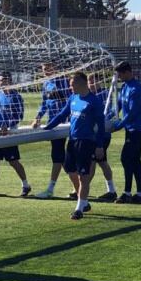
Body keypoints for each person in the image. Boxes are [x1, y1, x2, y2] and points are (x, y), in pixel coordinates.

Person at [44, 72, 106, 219]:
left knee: (84, 176)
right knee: (70, 170)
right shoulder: (72, 98)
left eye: (72, 85)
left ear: (81, 83)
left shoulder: (94, 101)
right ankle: (84, 202)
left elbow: (101, 126)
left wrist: (100, 146)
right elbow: (61, 115)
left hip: (86, 142)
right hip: (72, 141)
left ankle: (79, 209)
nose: (70, 87)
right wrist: (46, 128)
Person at [32, 63, 74, 199]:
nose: (46, 72)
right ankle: (77, 187)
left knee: (58, 155)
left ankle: (50, 189)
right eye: (44, 69)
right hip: (53, 123)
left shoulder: (64, 81)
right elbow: (44, 103)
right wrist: (37, 117)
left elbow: (71, 100)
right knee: (60, 156)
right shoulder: (46, 84)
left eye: (48, 68)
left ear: (55, 67)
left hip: (65, 123)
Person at [111, 61, 141, 204]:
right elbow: (119, 105)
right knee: (134, 160)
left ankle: (127, 193)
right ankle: (140, 194)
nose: (119, 77)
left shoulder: (136, 89)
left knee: (126, 158)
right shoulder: (125, 87)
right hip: (130, 128)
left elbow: (133, 112)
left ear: (127, 72)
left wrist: (119, 125)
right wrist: (107, 116)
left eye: (120, 74)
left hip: (137, 129)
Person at [88, 73, 118, 200]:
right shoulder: (88, 95)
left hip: (102, 134)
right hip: (91, 134)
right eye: (89, 81)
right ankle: (111, 190)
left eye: (93, 81)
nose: (91, 84)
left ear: (99, 81)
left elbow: (112, 110)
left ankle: (81, 190)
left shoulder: (105, 94)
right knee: (102, 161)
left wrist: (103, 119)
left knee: (92, 162)